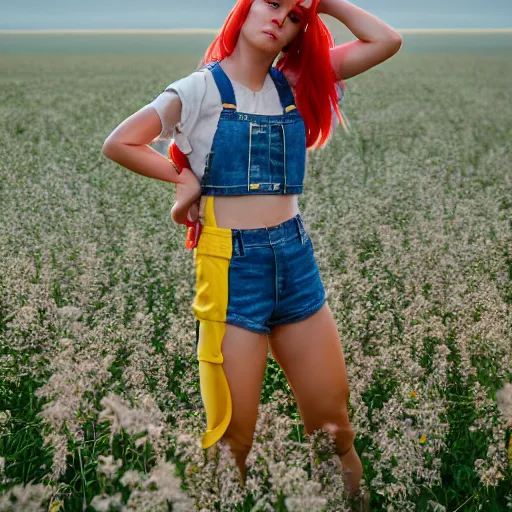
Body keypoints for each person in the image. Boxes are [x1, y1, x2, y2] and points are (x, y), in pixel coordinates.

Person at [102, 0, 402, 508]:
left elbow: (386, 42)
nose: (278, 19)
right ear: (244, 8)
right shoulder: (199, 89)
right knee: (231, 442)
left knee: (334, 430)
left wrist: (324, 2)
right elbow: (120, 142)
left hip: (295, 261)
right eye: (272, 3)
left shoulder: (299, 82)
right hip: (230, 268)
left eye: (293, 17)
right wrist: (185, 176)